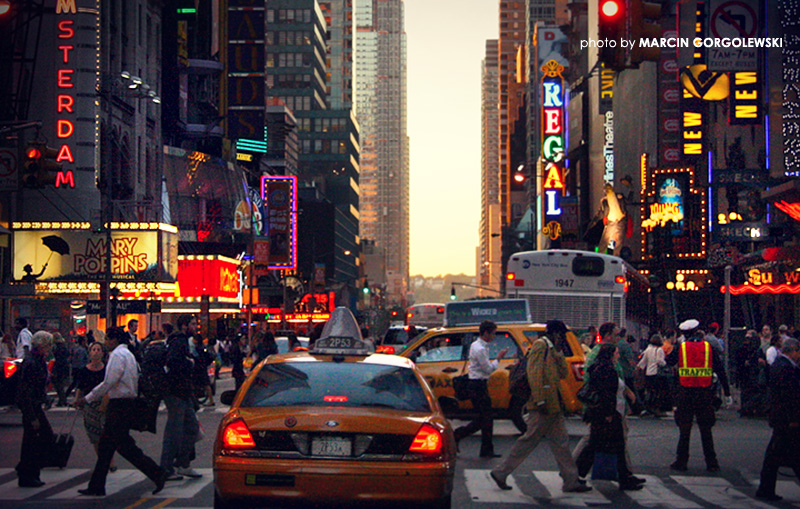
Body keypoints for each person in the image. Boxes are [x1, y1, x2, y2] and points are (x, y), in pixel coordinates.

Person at [489, 320, 591, 493]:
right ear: (556, 334)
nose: (563, 339)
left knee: (561, 443)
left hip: (553, 405)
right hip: (543, 404)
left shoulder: (552, 350)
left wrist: (558, 354)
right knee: (530, 440)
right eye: (562, 335)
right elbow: (534, 373)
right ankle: (501, 472)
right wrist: (540, 400)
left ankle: (570, 480)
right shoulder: (540, 346)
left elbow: (563, 373)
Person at [75, 327, 166, 496]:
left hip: (119, 405)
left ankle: (156, 473)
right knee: (109, 446)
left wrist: (87, 398)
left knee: (120, 446)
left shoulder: (117, 356)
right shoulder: (129, 355)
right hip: (126, 403)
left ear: (115, 340)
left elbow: (109, 381)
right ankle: (97, 485)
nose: (106, 343)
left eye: (108, 339)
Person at [575, 343, 645, 490]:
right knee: (605, 445)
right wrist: (608, 413)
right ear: (611, 354)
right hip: (607, 414)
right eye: (616, 353)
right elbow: (606, 394)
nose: (618, 356)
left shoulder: (601, 367)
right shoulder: (606, 370)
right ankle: (623, 477)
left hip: (607, 413)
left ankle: (623, 476)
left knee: (603, 445)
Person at [666, 319, 732, 472]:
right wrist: (727, 392)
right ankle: (712, 462)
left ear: (683, 333)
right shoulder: (708, 347)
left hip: (685, 392)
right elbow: (720, 370)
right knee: (706, 429)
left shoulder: (681, 348)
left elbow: (669, 361)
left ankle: (681, 461)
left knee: (684, 429)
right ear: (697, 331)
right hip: (704, 393)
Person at [454, 320, 508, 458]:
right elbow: (488, 369)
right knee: (485, 418)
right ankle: (460, 434)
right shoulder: (480, 349)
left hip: (477, 384)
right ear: (486, 333)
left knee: (485, 418)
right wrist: (499, 358)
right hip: (478, 385)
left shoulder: (476, 345)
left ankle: (486, 448)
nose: (494, 336)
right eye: (493, 333)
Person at [755, 338, 800, 501]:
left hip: (780, 417)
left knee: (775, 456)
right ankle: (765, 489)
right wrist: (794, 418)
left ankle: (765, 488)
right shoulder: (786, 368)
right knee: (792, 455)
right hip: (786, 419)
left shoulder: (779, 365)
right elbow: (791, 396)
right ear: (793, 350)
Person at [160, 314, 202, 480]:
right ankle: (166, 468)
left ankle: (183, 463)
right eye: (192, 324)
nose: (195, 327)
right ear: (184, 325)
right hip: (176, 391)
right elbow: (173, 362)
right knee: (174, 431)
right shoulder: (179, 340)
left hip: (182, 392)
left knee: (192, 428)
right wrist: (189, 363)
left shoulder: (180, 340)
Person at [15, 331, 54, 488]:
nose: (50, 348)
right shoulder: (31, 363)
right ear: (41, 345)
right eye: (48, 345)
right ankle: (27, 471)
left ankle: (28, 470)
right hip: (31, 407)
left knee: (35, 440)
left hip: (35, 405)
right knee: (37, 440)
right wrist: (32, 416)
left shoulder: (37, 360)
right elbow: (25, 392)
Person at [73, 342, 117, 472]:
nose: (96, 352)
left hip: (104, 402)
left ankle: (110, 460)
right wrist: (77, 400)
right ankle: (102, 459)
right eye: (93, 349)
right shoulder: (84, 370)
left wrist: (105, 402)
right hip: (89, 404)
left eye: (98, 349)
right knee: (94, 434)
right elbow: (80, 387)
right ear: (90, 352)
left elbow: (109, 385)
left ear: (103, 353)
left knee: (106, 433)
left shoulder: (106, 369)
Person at [637, 334, 668, 417]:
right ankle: (656, 409)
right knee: (657, 392)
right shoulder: (659, 350)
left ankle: (648, 408)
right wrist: (665, 364)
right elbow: (660, 361)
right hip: (656, 373)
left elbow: (643, 361)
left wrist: (639, 368)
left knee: (649, 391)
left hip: (648, 373)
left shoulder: (648, 349)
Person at [51, 333, 72, 407]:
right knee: (60, 385)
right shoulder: (64, 346)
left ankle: (62, 400)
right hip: (64, 367)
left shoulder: (57, 347)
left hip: (59, 368)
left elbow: (58, 359)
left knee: (58, 385)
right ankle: (63, 400)